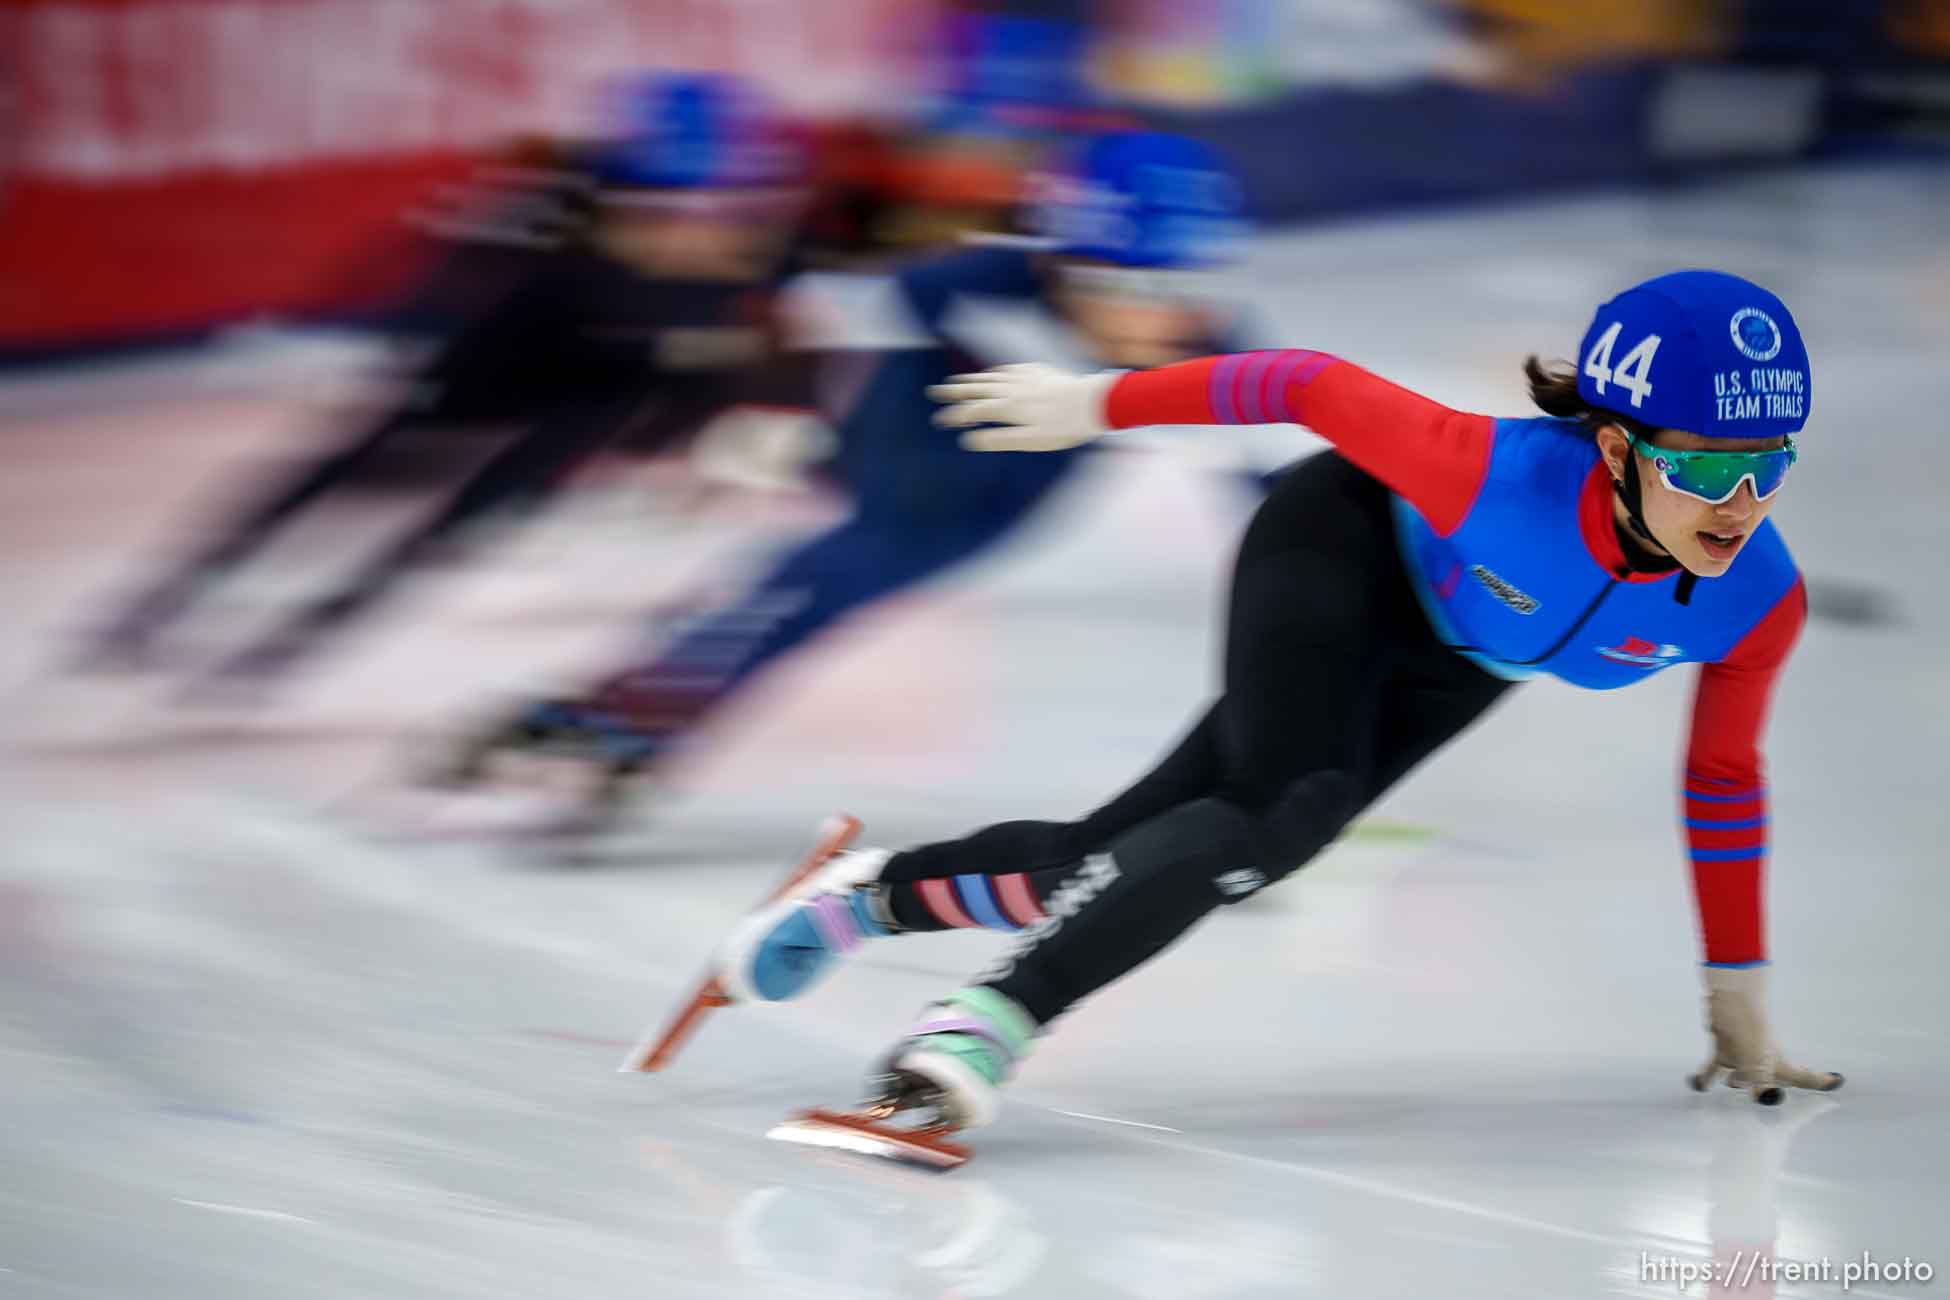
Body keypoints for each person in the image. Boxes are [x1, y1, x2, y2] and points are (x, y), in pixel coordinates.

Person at [712, 268, 1843, 1134]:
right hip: (1343, 547)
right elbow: (1301, 383)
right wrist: (1095, 402)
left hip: (1460, 664)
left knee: (1102, 861)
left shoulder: (1755, 601)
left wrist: (1735, 992)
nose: (1738, 501)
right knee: (1282, 810)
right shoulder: (1487, 471)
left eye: (1770, 463)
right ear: (1613, 444)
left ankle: (861, 898)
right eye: (1704, 467)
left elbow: (1723, 782)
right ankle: (988, 1023)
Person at [438, 130, 1259, 824]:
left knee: (821, 584)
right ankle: (633, 707)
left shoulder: (1215, 346)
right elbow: (809, 317)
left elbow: (1279, 485)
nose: (1158, 316)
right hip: (900, 443)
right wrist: (778, 415)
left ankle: (637, 711)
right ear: (1059, 262)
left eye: (1184, 287)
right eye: (1129, 285)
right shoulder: (962, 284)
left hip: (1004, 494)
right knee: (832, 569)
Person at [78, 72, 812, 683]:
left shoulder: (774, 236)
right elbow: (446, 269)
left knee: (458, 521)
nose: (684, 225)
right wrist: (401, 341)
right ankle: (166, 605)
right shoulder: (551, 204)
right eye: (653, 203)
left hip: (604, 386)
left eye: (707, 205)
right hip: (506, 355)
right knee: (333, 478)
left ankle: (295, 641)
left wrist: (698, 427)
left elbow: (773, 357)